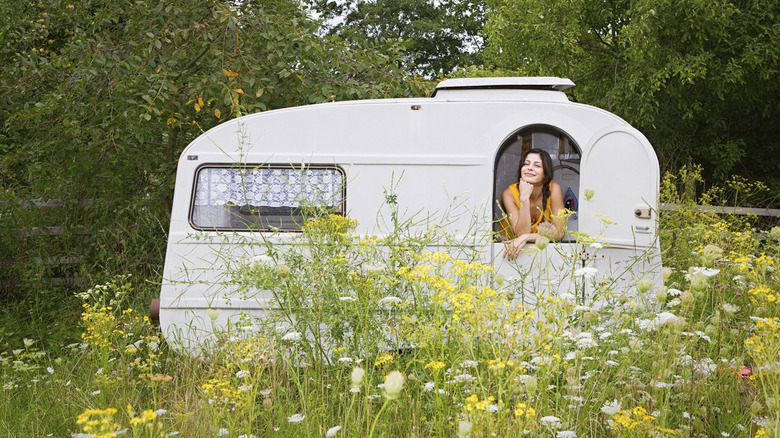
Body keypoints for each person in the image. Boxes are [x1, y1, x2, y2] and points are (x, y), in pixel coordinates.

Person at [499, 148, 566, 259]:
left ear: (546, 173)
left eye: (537, 165)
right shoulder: (509, 194)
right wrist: (524, 198)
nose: (530, 168)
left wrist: (527, 237)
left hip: (536, 243)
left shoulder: (554, 188)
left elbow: (559, 233)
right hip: (509, 244)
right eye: (526, 164)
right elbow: (520, 233)